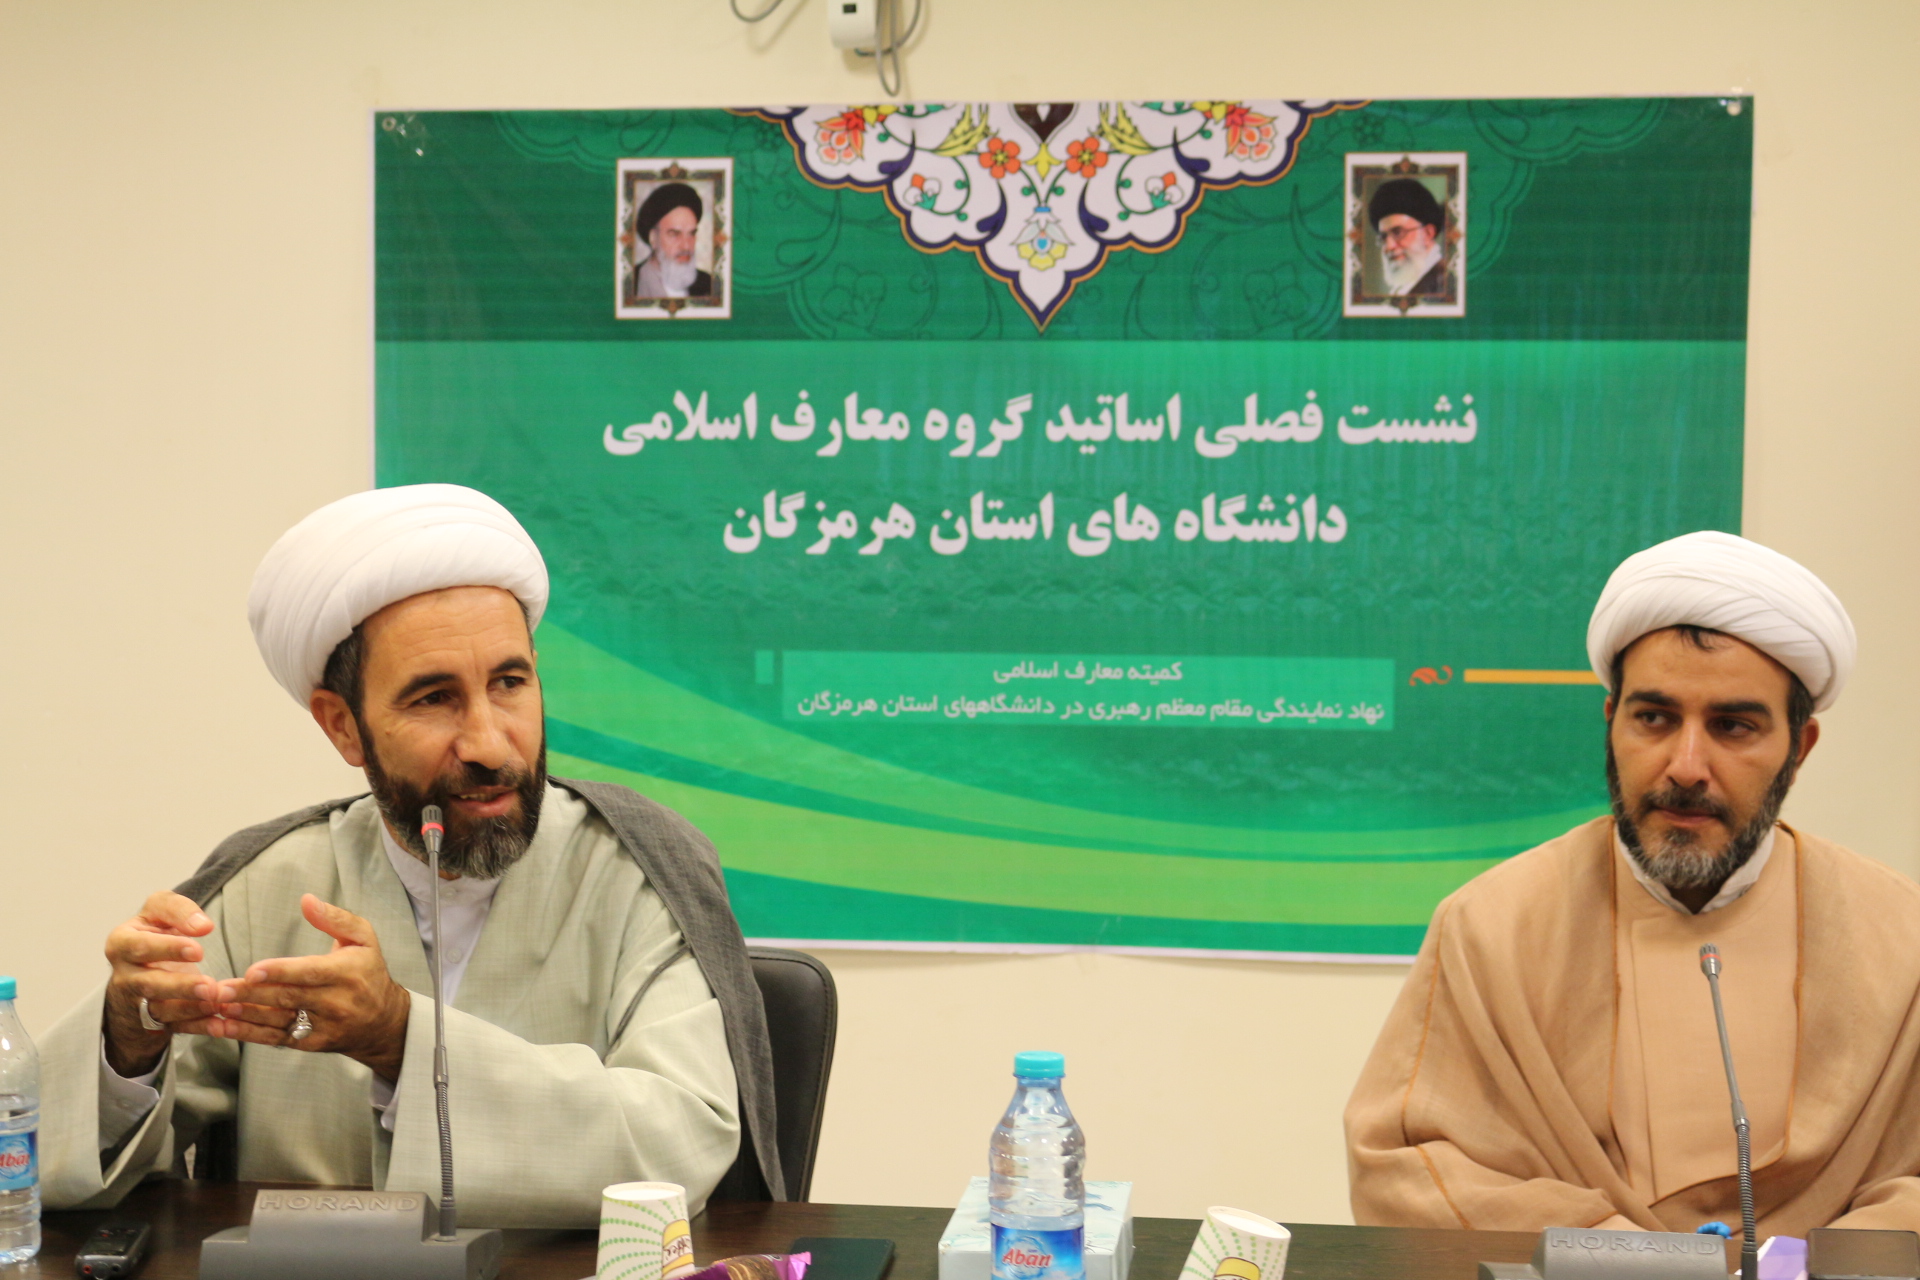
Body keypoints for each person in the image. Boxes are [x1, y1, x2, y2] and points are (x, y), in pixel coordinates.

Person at [35, 484, 780, 1226]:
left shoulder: (636, 870)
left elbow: (679, 1144)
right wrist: (127, 1044)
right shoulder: (267, 885)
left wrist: (398, 1039)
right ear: (342, 726)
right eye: (433, 699)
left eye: (509, 683)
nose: (488, 743)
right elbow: (43, 1166)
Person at [1347, 531, 1920, 1235]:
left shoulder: (1900, 938)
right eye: (1654, 718)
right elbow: (1403, 1170)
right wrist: (1611, 1252)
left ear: (1798, 750)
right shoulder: (1493, 925)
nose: (1686, 766)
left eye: (1733, 727)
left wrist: (1803, 1266)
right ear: (1611, 722)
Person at [630, 182, 713, 299]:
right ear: (653, 238)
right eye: (674, 234)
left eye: (691, 234)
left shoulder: (708, 284)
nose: (686, 246)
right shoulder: (630, 283)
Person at [1368, 177, 1448, 297]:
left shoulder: (1444, 285)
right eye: (1384, 237)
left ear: (1427, 234)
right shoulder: (1406, 287)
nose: (1389, 246)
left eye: (1398, 233)